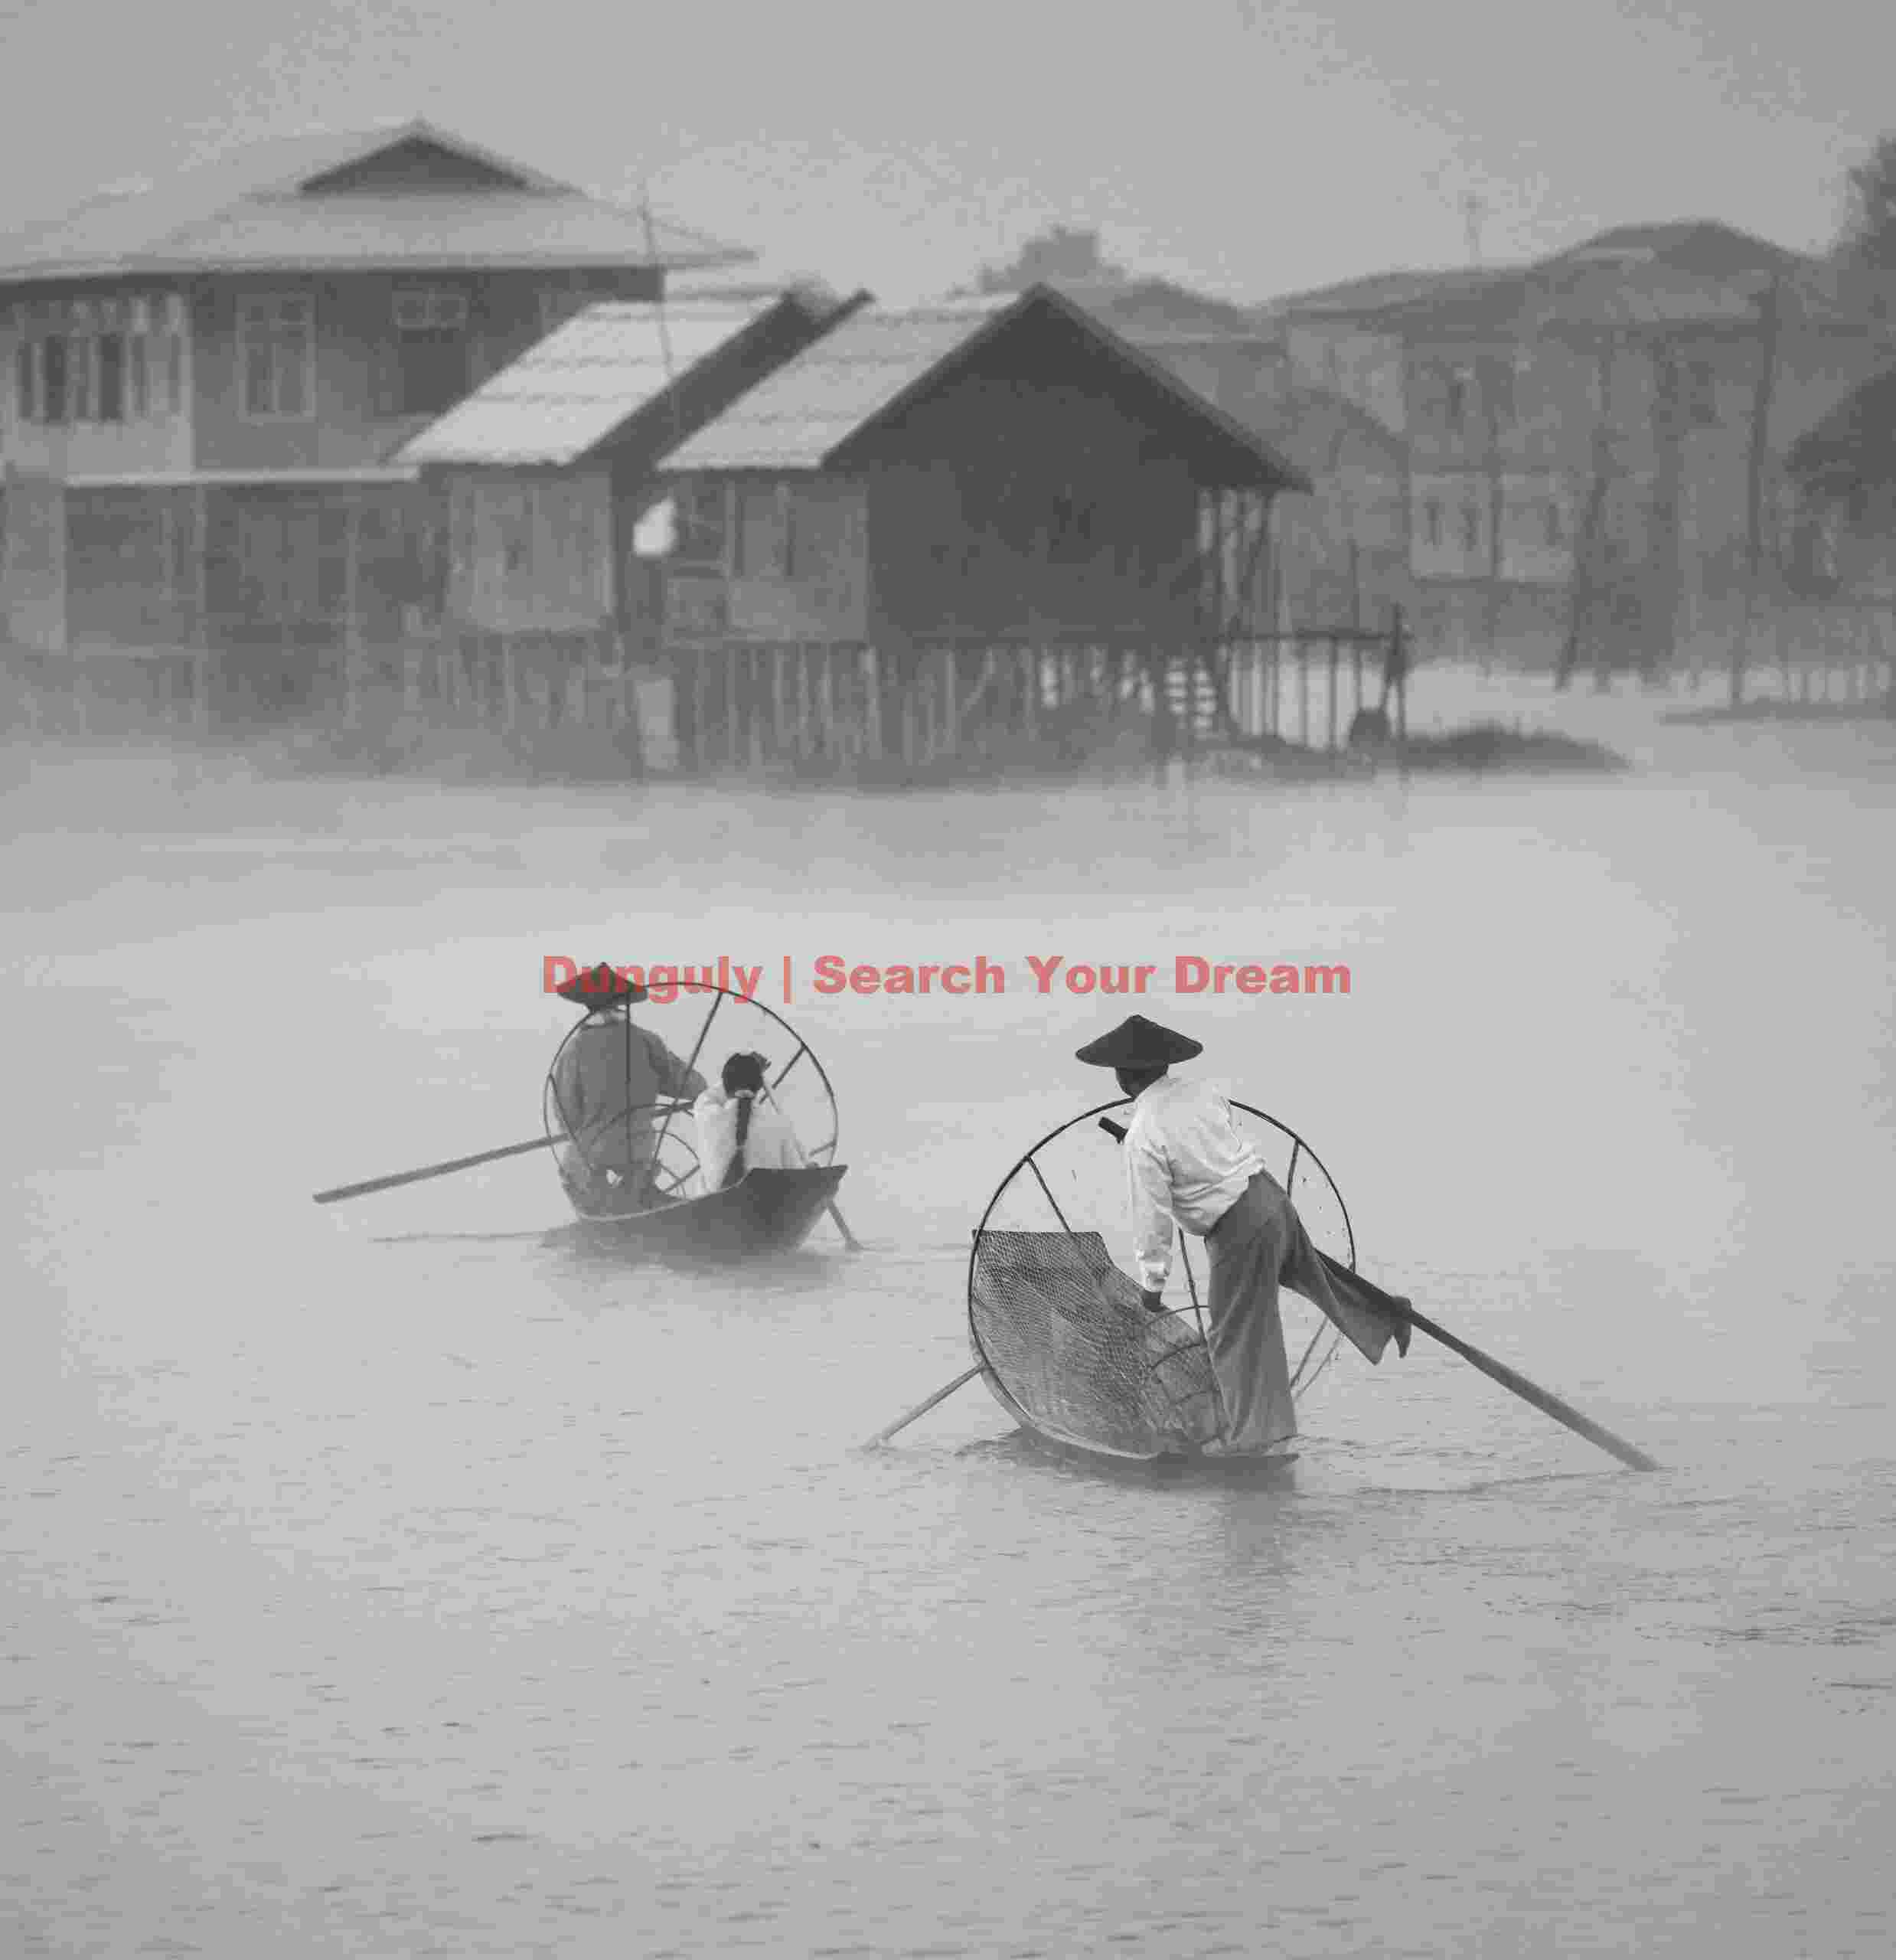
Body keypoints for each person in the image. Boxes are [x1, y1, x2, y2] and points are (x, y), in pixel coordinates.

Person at [1076, 1013, 1412, 1455]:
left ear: (1122, 1076)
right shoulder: (1202, 1092)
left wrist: (1153, 1284)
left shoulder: (1142, 1135)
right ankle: (1388, 1314)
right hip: (1271, 1199)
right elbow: (1213, 1144)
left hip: (1237, 1229)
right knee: (1317, 1278)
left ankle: (1253, 1440)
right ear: (1164, 1065)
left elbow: (1152, 1216)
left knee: (1236, 1336)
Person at [548, 962, 707, 1212]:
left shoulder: (573, 1050)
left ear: (586, 1006)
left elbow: (567, 1115)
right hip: (638, 1149)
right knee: (636, 1183)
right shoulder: (647, 1041)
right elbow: (693, 1086)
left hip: (591, 1154)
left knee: (577, 1176)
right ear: (621, 1002)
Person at [693, 1051, 808, 1194]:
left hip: (714, 1213)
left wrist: (741, 1074)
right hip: (768, 1211)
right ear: (759, 1085)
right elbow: (799, 1180)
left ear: (725, 1085)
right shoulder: (779, 1126)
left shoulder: (707, 1115)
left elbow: (707, 1097)